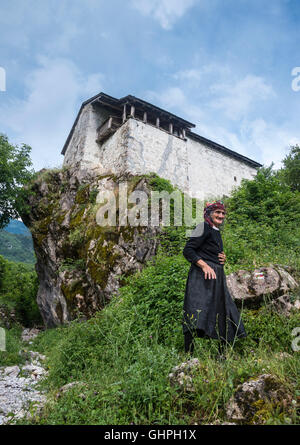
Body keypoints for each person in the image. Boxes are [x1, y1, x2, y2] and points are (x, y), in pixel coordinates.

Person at [182, 200, 247, 356]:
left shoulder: (215, 230)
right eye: (217, 212)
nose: (221, 215)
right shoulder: (202, 226)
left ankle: (222, 355)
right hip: (200, 278)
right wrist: (205, 265)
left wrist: (222, 259)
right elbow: (188, 250)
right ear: (209, 213)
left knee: (224, 311)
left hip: (216, 278)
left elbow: (210, 251)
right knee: (195, 312)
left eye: (223, 213)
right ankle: (188, 354)